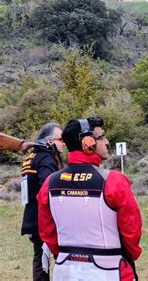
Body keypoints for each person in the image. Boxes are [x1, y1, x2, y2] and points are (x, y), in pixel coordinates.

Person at [37, 117, 142, 281]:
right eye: (101, 137)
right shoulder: (113, 180)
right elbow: (131, 228)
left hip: (65, 269)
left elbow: (46, 230)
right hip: (110, 268)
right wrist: (131, 254)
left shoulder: (50, 183)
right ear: (88, 142)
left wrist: (63, 253)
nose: (106, 142)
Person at [21, 123, 65, 281]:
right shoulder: (46, 158)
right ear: (50, 141)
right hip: (44, 218)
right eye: (61, 139)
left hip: (32, 215)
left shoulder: (31, 156)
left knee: (40, 258)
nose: (64, 143)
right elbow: (47, 189)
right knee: (51, 260)